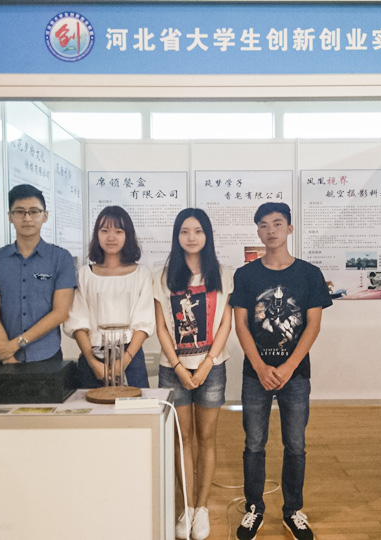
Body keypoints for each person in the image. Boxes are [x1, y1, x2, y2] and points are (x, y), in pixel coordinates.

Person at [229, 202, 332, 540]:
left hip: (295, 374)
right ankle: (254, 508)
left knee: (296, 444)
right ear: (257, 231)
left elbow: (313, 325)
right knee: (254, 444)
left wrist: (288, 366)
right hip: (255, 374)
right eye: (263, 225)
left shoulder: (309, 274)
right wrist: (260, 366)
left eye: (277, 223)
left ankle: (293, 511)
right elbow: (241, 324)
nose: (270, 230)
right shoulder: (245, 275)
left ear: (290, 228)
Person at [154, 208, 233, 540]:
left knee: (206, 439)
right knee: (181, 439)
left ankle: (202, 508)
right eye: (184, 231)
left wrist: (206, 364)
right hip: (173, 370)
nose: (191, 237)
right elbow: (161, 326)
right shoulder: (162, 276)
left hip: (211, 368)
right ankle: (186, 507)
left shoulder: (223, 274)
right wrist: (177, 366)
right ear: (177, 236)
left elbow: (226, 323)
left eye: (198, 231)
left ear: (207, 235)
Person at [0, 183, 76, 365]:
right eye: (19, 212)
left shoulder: (61, 258)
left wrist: (16, 344)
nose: (27, 218)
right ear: (10, 216)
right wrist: (8, 356)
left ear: (45, 216)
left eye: (34, 211)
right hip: (4, 357)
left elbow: (60, 312)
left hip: (46, 357)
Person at [63, 205, 154, 388]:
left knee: (135, 405)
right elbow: (77, 322)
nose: (111, 237)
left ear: (128, 235)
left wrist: (125, 360)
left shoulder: (141, 274)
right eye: (104, 231)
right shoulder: (85, 274)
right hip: (92, 355)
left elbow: (144, 323)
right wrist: (92, 362)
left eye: (118, 231)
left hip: (130, 355)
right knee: (91, 406)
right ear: (97, 235)